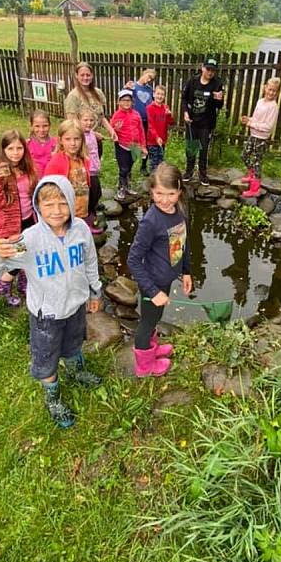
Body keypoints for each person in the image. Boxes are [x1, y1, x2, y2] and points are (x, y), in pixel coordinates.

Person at [0, 176, 102, 429]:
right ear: (37, 206)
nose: (56, 211)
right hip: (46, 315)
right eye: (48, 205)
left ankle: (76, 371)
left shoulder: (81, 230)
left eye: (62, 203)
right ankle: (53, 397)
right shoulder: (30, 240)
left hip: (76, 306)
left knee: (74, 342)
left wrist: (95, 292)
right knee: (46, 356)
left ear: (71, 201)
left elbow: (90, 262)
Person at [127, 163, 193, 377]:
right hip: (152, 283)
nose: (165, 200)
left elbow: (182, 243)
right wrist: (153, 291)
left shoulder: (180, 211)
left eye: (171, 194)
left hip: (166, 278)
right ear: (151, 191)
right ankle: (144, 366)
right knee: (146, 323)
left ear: (179, 192)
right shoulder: (150, 221)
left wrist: (186, 271)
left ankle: (152, 349)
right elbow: (133, 259)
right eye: (159, 194)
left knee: (155, 317)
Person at [0, 129, 38, 306]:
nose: (16, 153)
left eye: (19, 148)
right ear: (3, 150)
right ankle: (3, 284)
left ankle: (24, 284)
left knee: (27, 254)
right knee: (15, 258)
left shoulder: (27, 169)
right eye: (11, 149)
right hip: (10, 225)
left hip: (29, 220)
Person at [45, 119, 102, 235]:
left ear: (82, 140)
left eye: (77, 139)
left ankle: (86, 224)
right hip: (65, 210)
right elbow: (47, 190)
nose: (73, 143)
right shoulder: (56, 162)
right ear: (60, 140)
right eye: (68, 139)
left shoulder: (84, 159)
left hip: (82, 204)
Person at [182, 57, 224, 186]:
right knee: (191, 147)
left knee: (204, 149)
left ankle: (202, 173)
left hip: (206, 123)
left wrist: (219, 99)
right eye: (208, 69)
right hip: (191, 121)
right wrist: (185, 113)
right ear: (202, 68)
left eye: (213, 70)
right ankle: (189, 171)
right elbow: (184, 98)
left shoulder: (217, 84)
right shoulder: (193, 81)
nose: (210, 73)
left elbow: (219, 106)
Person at [63, 61, 118, 156]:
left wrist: (111, 130)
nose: (85, 78)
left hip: (96, 141)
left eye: (88, 75)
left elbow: (101, 117)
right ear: (76, 76)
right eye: (82, 75)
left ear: (92, 76)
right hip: (81, 141)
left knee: (95, 166)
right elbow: (72, 122)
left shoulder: (98, 93)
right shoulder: (73, 96)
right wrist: (92, 134)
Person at [240, 77, 281, 197]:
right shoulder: (260, 101)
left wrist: (251, 124)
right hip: (253, 135)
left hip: (261, 139)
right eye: (270, 89)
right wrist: (249, 119)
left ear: (277, 92)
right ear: (265, 88)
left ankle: (255, 188)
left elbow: (268, 127)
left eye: (275, 91)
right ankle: (251, 175)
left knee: (257, 161)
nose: (271, 92)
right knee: (244, 155)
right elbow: (256, 119)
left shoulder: (273, 107)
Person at [110, 88, 147, 201]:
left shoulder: (136, 115)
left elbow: (141, 131)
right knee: (123, 168)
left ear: (132, 102)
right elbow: (111, 130)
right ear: (119, 102)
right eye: (124, 100)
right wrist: (115, 129)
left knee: (130, 167)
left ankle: (127, 186)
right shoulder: (116, 115)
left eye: (128, 100)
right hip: (122, 146)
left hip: (135, 147)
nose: (126, 102)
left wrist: (143, 146)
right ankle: (121, 187)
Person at [80, 107, 104, 232]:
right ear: (79, 120)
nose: (88, 123)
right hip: (86, 172)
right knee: (90, 195)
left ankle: (92, 216)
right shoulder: (79, 136)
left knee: (97, 193)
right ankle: (88, 222)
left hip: (94, 170)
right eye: (85, 120)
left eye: (91, 120)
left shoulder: (92, 134)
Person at [131, 68, 156, 174]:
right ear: (143, 74)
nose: (149, 79)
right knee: (134, 142)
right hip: (135, 120)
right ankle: (130, 164)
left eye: (151, 78)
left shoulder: (150, 90)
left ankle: (143, 165)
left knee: (145, 143)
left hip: (146, 121)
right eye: (148, 76)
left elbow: (153, 103)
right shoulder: (133, 87)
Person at [146, 84, 174, 171]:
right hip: (152, 140)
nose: (160, 96)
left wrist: (169, 115)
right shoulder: (149, 108)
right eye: (158, 94)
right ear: (154, 94)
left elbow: (171, 122)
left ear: (164, 96)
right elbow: (151, 125)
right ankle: (153, 181)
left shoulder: (165, 107)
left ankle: (159, 180)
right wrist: (156, 137)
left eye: (162, 94)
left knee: (160, 161)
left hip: (163, 139)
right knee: (154, 163)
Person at [27, 109, 57, 178]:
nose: (41, 130)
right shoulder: (27, 144)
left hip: (52, 179)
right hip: (34, 180)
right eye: (37, 126)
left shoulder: (56, 143)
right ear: (31, 126)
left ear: (50, 125)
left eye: (45, 126)